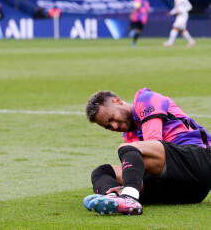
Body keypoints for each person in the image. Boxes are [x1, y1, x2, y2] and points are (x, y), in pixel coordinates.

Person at [83, 88, 211, 215]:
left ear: (117, 101)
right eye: (108, 126)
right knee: (102, 171)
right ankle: (112, 198)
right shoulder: (130, 137)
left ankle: (129, 197)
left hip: (199, 161)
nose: (114, 126)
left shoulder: (146, 99)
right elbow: (141, 171)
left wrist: (131, 184)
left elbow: (153, 142)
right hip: (186, 191)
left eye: (111, 119)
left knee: (128, 149)